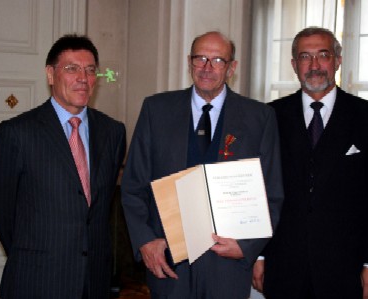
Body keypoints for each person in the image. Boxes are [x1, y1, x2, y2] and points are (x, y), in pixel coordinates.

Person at [121, 31, 284, 299]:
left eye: (218, 60)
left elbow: (272, 194)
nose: (207, 68)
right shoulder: (156, 110)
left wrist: (247, 246)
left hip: (227, 267)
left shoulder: (260, 117)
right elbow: (133, 185)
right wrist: (145, 242)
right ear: (189, 62)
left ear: (232, 68)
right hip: (168, 262)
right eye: (201, 58)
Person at [252, 27, 368, 299]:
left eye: (323, 55)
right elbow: (259, 190)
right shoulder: (270, 116)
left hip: (345, 267)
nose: (314, 65)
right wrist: (258, 255)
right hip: (283, 265)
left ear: (338, 60)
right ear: (294, 65)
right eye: (305, 56)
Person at [0, 34, 126, 299]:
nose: (83, 78)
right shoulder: (17, 133)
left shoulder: (113, 132)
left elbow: (100, 206)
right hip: (38, 277)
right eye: (72, 68)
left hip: (94, 278)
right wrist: (31, 252)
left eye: (90, 70)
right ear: (51, 74)